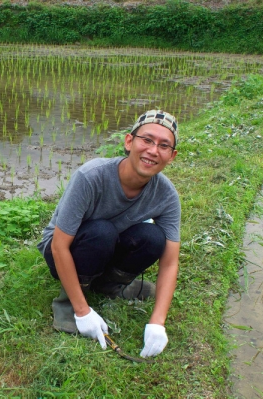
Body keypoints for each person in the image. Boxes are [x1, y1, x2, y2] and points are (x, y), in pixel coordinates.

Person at [37, 110, 180, 358]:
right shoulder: (91, 176)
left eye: (163, 145)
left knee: (154, 237)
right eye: (146, 140)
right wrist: (83, 311)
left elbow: (169, 261)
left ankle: (108, 285)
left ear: (171, 156)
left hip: (108, 245)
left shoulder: (166, 195)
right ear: (129, 141)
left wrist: (158, 321)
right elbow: (59, 246)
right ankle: (70, 303)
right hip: (64, 249)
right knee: (101, 232)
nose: (153, 150)